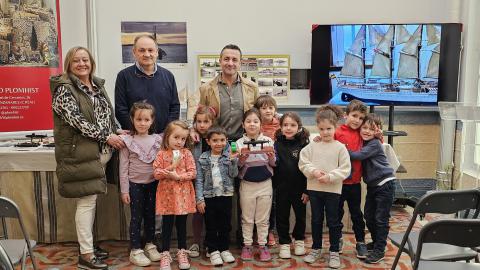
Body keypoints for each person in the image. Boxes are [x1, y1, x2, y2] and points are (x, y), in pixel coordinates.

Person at [50, 46, 124, 270]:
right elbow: (79, 122)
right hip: (81, 153)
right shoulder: (64, 89)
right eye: (76, 61)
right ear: (69, 65)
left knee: (91, 201)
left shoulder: (97, 85)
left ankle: (88, 246)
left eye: (85, 60)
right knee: (86, 202)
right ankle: (86, 254)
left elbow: (107, 116)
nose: (82, 64)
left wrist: (118, 130)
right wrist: (107, 136)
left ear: (91, 62)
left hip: (101, 153)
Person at [299, 105, 351, 269]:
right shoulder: (312, 146)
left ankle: (334, 251)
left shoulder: (340, 147)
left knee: (334, 221)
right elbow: (303, 162)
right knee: (316, 220)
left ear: (335, 127)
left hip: (333, 191)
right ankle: (316, 248)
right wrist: (314, 171)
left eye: (329, 128)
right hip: (314, 190)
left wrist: (329, 176)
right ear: (317, 128)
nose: (325, 132)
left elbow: (345, 169)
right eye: (321, 129)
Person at [347, 114, 396, 264]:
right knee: (369, 216)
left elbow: (358, 156)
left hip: (385, 184)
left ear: (377, 130)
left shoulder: (374, 143)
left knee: (381, 219)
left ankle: (380, 249)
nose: (367, 131)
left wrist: (342, 149)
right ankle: (376, 242)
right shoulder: (365, 141)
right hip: (373, 186)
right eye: (365, 128)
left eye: (371, 129)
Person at [119, 101, 162, 267]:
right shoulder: (127, 141)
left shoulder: (157, 140)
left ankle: (150, 244)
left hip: (153, 184)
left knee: (151, 216)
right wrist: (125, 191)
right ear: (132, 119)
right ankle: (136, 249)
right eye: (139, 119)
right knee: (136, 218)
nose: (142, 123)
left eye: (146, 120)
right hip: (134, 185)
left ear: (152, 121)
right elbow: (123, 168)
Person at [192, 44, 259, 142]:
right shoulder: (205, 88)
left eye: (234, 60)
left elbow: (260, 114)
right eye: (226, 59)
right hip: (216, 144)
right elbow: (199, 115)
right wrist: (193, 129)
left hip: (244, 142)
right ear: (220, 61)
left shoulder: (252, 88)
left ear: (240, 63)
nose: (230, 63)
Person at [153, 120, 196, 270]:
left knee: (182, 225)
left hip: (183, 197)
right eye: (176, 137)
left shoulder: (187, 154)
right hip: (167, 198)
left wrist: (179, 177)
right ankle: (165, 253)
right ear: (167, 137)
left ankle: (182, 251)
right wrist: (170, 169)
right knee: (167, 225)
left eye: (183, 139)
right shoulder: (161, 154)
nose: (179, 141)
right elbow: (156, 173)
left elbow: (192, 172)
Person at [115, 34, 180, 134]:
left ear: (157, 52)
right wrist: (138, 132)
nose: (147, 54)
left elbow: (175, 107)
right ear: (134, 52)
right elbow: (120, 110)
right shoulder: (123, 76)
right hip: (135, 138)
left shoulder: (168, 76)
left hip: (163, 138)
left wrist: (167, 132)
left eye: (150, 50)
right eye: (142, 50)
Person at [236, 108, 276, 262]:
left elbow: (273, 164)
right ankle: (247, 245)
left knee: (263, 218)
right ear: (243, 124)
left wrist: (271, 157)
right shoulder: (239, 143)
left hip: (265, 184)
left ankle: (262, 245)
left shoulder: (268, 141)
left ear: (261, 124)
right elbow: (237, 166)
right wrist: (242, 159)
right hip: (247, 184)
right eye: (248, 121)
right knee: (247, 218)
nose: (252, 124)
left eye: (255, 121)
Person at [195, 126, 238, 266]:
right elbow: (199, 180)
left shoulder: (229, 156)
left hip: (225, 195)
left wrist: (233, 161)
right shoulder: (203, 158)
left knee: (225, 224)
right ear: (208, 141)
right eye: (215, 140)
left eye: (222, 140)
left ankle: (224, 248)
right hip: (209, 197)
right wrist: (200, 199)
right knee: (211, 225)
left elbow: (234, 175)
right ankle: (213, 250)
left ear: (226, 140)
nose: (218, 143)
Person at [273, 112, 310, 259]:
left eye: (293, 125)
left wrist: (307, 190)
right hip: (281, 188)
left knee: (300, 216)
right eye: (285, 125)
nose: (289, 128)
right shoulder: (276, 143)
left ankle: (299, 240)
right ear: (281, 127)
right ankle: (284, 243)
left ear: (299, 127)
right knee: (282, 216)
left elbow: (309, 168)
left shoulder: (304, 144)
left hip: (300, 189)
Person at [335, 99, 368, 258]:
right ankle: (338, 239)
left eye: (361, 118)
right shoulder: (337, 132)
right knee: (337, 213)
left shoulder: (363, 133)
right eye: (354, 116)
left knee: (356, 214)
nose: (357, 120)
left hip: (355, 182)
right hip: (338, 183)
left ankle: (360, 242)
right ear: (345, 115)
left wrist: (379, 135)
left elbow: (375, 142)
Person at [189, 106, 217, 257]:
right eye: (198, 122)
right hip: (197, 181)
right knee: (198, 212)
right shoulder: (193, 137)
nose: (202, 125)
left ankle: (209, 242)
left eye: (206, 122)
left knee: (212, 213)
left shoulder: (217, 137)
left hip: (214, 182)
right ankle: (196, 242)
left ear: (212, 123)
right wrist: (190, 129)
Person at [254, 95, 280, 246]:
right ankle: (255, 232)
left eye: (270, 107)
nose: (267, 111)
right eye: (263, 108)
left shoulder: (281, 124)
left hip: (276, 168)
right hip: (258, 168)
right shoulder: (255, 125)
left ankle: (270, 231)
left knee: (272, 202)